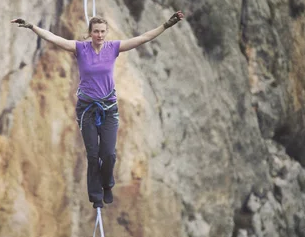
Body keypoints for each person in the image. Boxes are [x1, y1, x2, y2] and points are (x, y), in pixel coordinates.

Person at [11, 11, 184, 208]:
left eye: (103, 31)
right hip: (87, 109)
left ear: (107, 33)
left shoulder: (113, 48)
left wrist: (166, 25)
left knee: (108, 154)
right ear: (90, 33)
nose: (99, 35)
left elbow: (143, 38)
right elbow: (54, 38)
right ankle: (95, 196)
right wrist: (32, 26)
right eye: (96, 32)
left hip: (109, 108)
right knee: (93, 155)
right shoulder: (80, 49)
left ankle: (107, 184)